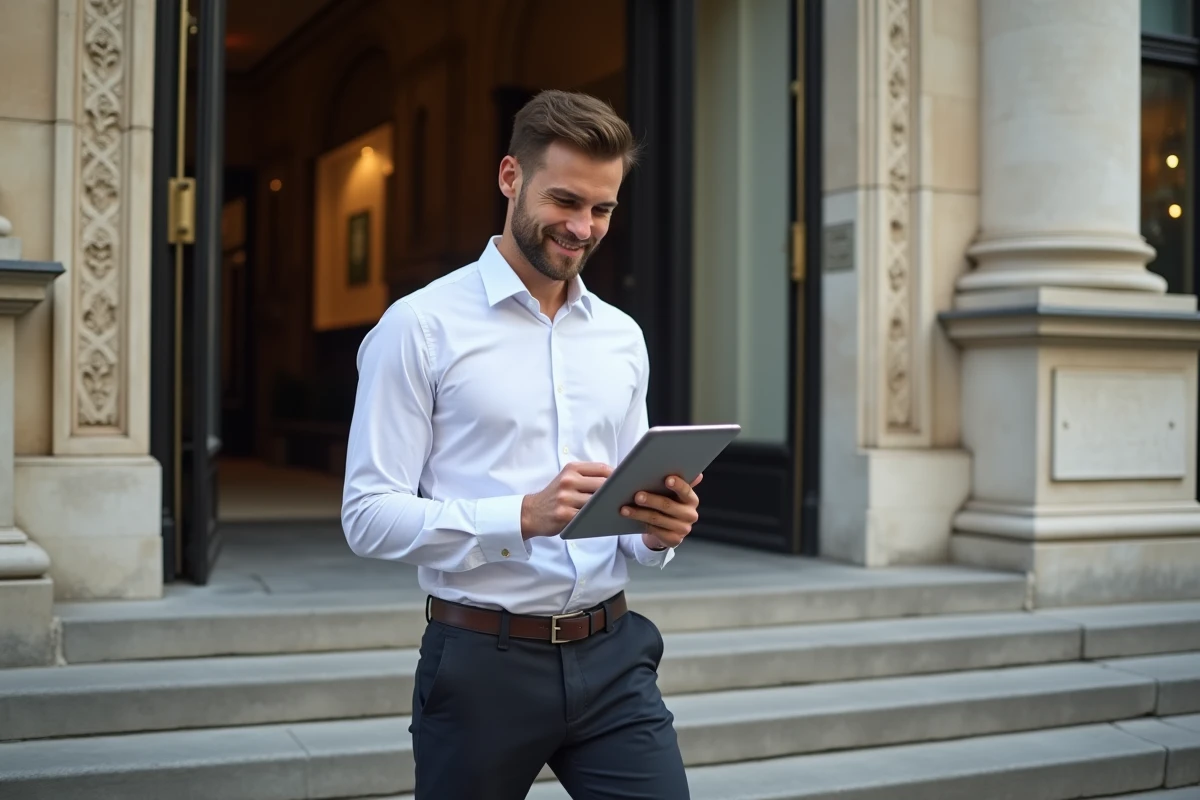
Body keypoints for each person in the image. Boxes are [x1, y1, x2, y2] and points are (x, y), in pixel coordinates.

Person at [341, 89, 701, 799]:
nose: (583, 227)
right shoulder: (419, 327)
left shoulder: (622, 336)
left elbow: (628, 514)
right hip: (483, 663)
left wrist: (657, 529)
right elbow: (367, 516)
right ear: (511, 177)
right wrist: (521, 516)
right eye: (564, 200)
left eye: (602, 209)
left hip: (615, 658)